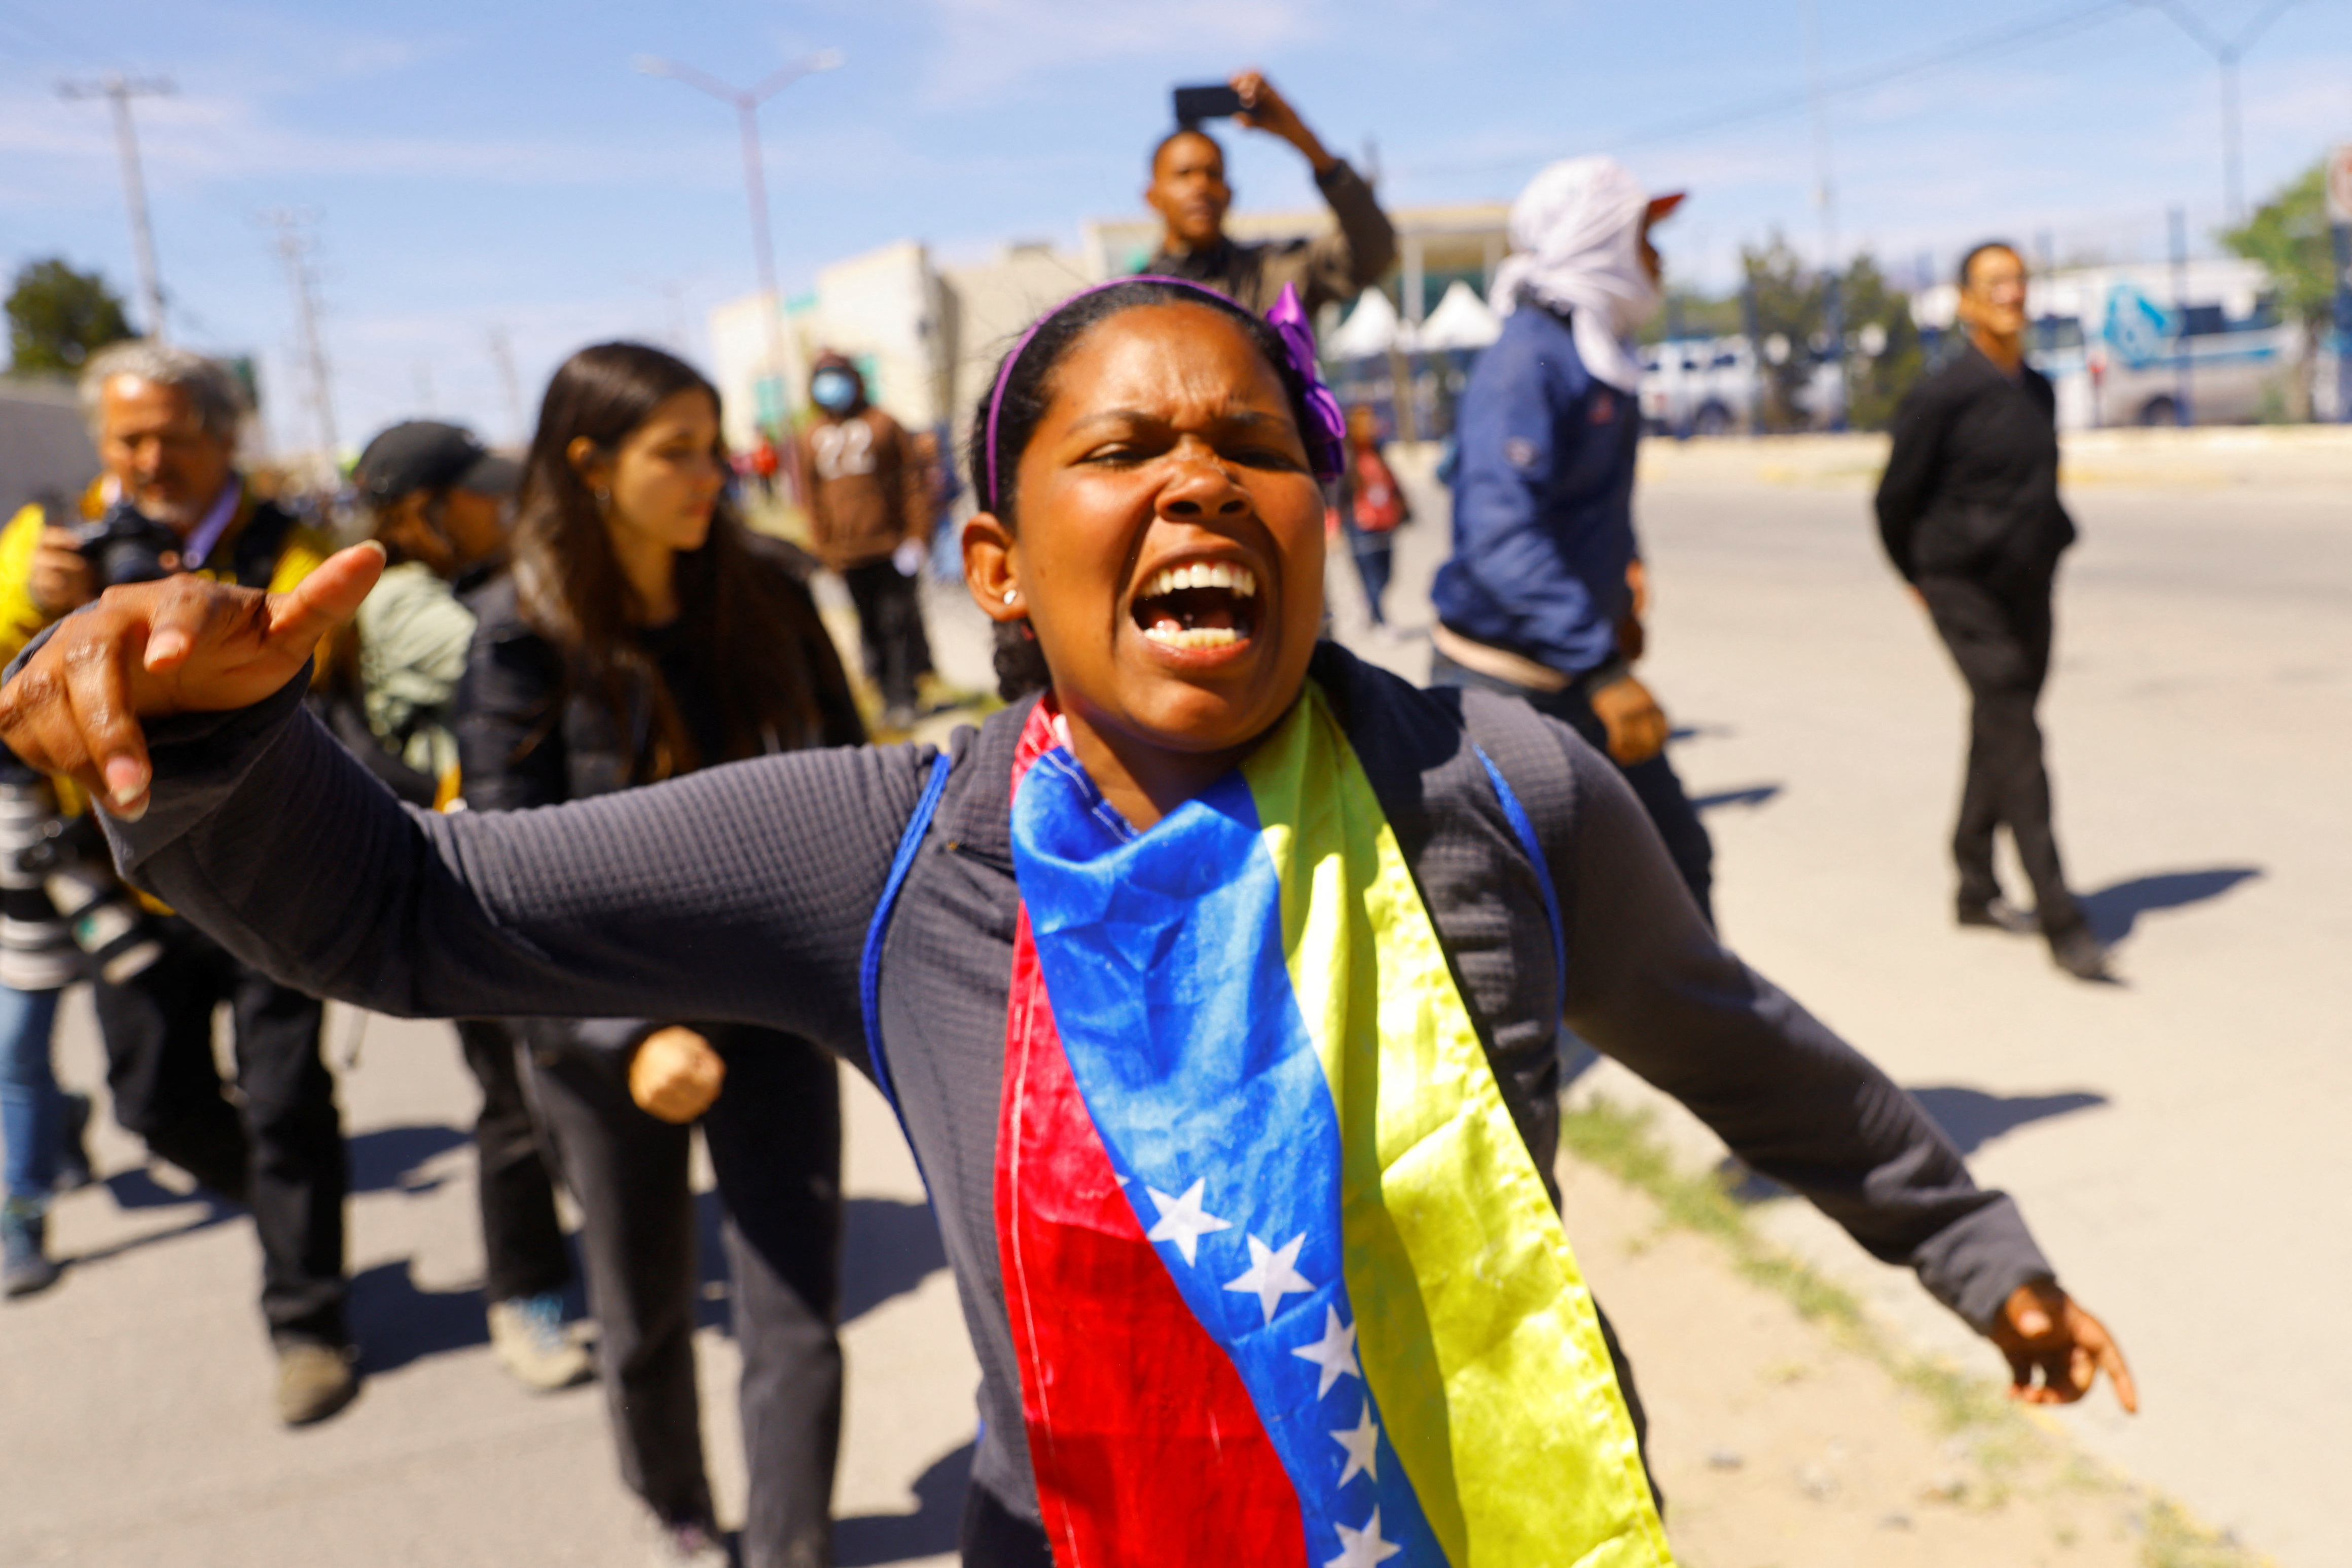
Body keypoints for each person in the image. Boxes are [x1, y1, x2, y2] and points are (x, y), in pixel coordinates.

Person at [3, 279, 2137, 1567]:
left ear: (1322, 513)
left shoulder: (1502, 782)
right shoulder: (887, 845)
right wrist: (220, 754)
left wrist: (1963, 1243)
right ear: (1001, 565)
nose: (1201, 478)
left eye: (1254, 444)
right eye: (1125, 449)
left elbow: (1725, 1032)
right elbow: (413, 907)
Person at [454, 343, 864, 1566]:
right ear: (589, 465)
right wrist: (626, 1033)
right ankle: (679, 1505)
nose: (711, 474)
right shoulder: (518, 636)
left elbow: (853, 791)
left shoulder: (771, 595)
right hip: (603, 1034)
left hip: (775, 1006)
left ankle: (789, 1547)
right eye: (673, 452)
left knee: (797, 1312)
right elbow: (496, 883)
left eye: (713, 443)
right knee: (642, 1314)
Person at [0, 340, 359, 1424]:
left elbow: (327, 664)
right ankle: (288, 1202)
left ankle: (309, 1320)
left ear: (224, 437)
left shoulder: (288, 543)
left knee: (290, 1095)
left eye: (170, 435)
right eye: (125, 437)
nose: (146, 459)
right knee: (152, 1101)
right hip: (124, 887)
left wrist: (211, 615)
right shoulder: (41, 538)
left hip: (271, 875)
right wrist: (33, 606)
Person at [341, 419, 594, 1394]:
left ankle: (582, 1246)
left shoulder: (446, 582)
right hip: (463, 889)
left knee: (553, 1086)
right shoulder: (403, 599)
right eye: (480, 495)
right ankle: (524, 1293)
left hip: (502, 866)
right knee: (515, 1101)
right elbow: (538, 661)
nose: (501, 509)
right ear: (421, 512)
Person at [1427, 156, 1715, 925]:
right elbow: (1498, 535)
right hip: (1505, 685)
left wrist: (1621, 581)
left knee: (1677, 867)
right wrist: (1600, 661)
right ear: (1597, 239)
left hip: (1576, 665)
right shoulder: (1527, 360)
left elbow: (1584, 507)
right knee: (1509, 919)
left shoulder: (1591, 350)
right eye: (1644, 236)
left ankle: (1700, 1044)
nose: (1657, 258)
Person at [1875, 242, 2109, 982]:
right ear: (1966, 303)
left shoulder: (2036, 389)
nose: (2010, 294)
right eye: (1993, 284)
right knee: (2015, 723)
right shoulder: (1940, 395)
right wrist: (1914, 578)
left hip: (2028, 583)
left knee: (1998, 722)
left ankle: (1972, 882)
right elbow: (1891, 500)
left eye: (2016, 281)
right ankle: (2058, 914)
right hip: (1960, 588)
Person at [1141, 69, 1396, 316]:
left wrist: (1303, 140)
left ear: (1229, 195)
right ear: (1152, 198)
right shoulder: (1129, 300)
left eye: (1214, 174)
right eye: (1184, 174)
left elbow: (1373, 252)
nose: (1201, 187)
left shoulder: (1277, 275)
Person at [799, 352, 933, 731]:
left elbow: (913, 482)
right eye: (822, 377)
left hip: (890, 548)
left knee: (897, 623)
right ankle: (884, 696)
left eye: (836, 376)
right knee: (868, 627)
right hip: (848, 555)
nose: (831, 385)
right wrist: (824, 550)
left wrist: (916, 537)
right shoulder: (810, 436)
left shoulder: (882, 423)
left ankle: (905, 695)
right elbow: (812, 500)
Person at [1335, 404, 1408, 630]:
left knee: (1387, 574)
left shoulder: (1378, 451)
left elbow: (1392, 483)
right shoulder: (1346, 456)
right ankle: (1380, 619)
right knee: (1371, 577)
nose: (1373, 427)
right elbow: (1338, 491)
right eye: (1367, 423)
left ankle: (1370, 607)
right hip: (1359, 523)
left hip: (1385, 519)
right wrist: (1335, 520)